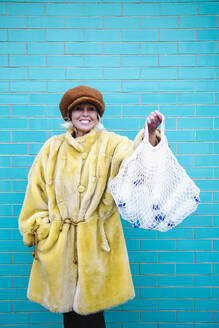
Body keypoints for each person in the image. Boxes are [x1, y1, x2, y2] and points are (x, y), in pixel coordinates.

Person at [19, 85, 162, 328]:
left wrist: (148, 137)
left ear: (98, 115)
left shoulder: (112, 144)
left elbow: (132, 166)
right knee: (70, 317)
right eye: (79, 109)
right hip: (59, 247)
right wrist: (42, 232)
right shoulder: (52, 149)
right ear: (69, 115)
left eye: (91, 109)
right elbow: (36, 193)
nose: (85, 114)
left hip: (97, 245)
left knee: (93, 318)